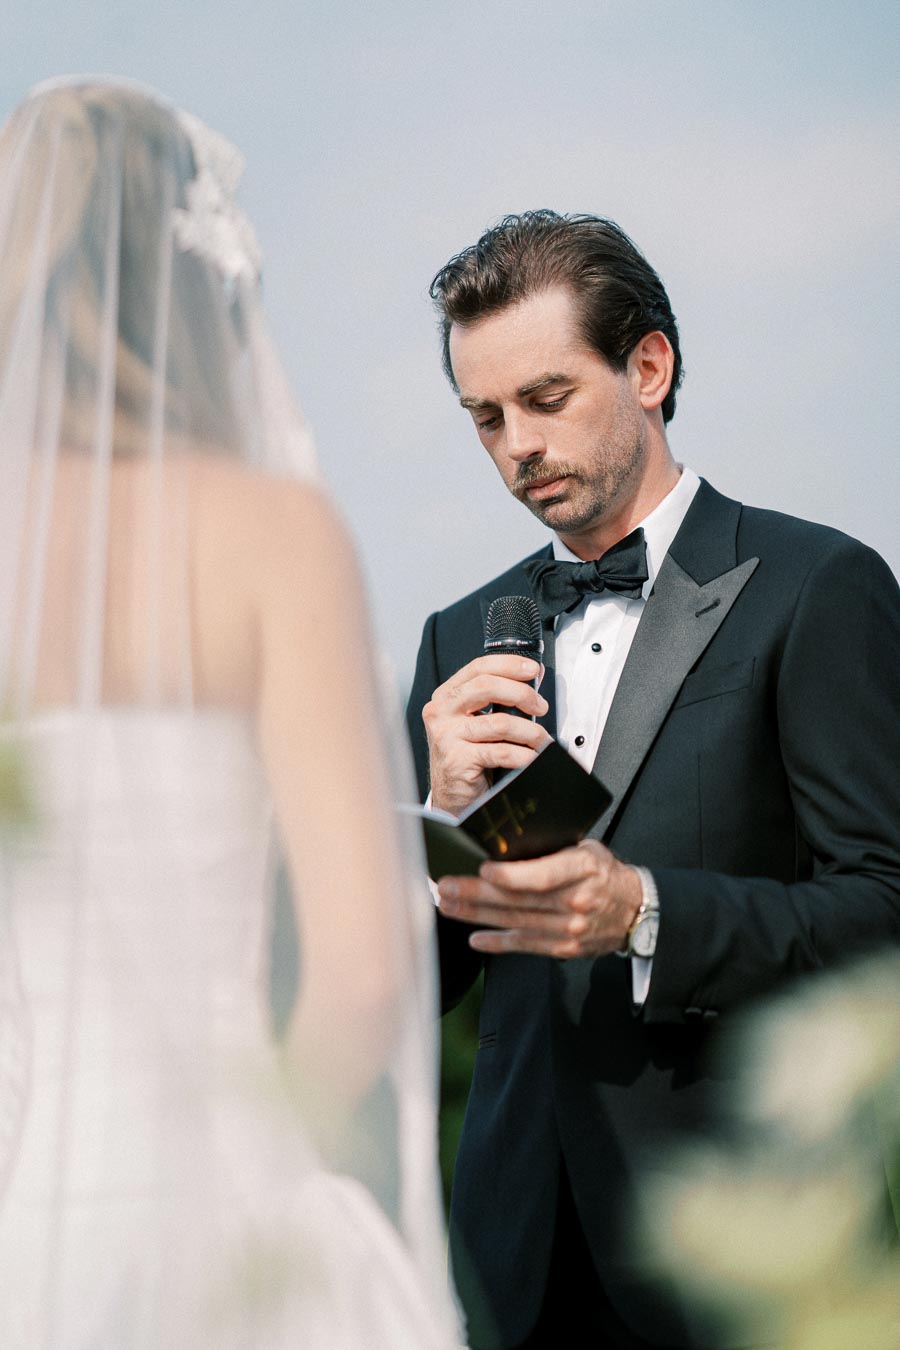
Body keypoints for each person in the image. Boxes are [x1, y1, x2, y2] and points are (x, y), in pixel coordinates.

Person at [0, 78, 461, 1347]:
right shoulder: (271, 538)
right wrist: (265, 1161)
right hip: (229, 1197)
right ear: (202, 271)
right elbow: (366, 975)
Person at [406, 210, 900, 1350]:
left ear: (649, 365)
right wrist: (434, 829)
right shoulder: (450, 640)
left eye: (544, 398)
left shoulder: (819, 586)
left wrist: (645, 913)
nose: (515, 446)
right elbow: (413, 991)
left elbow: (884, 907)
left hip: (754, 1243)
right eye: (484, 418)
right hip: (516, 1254)